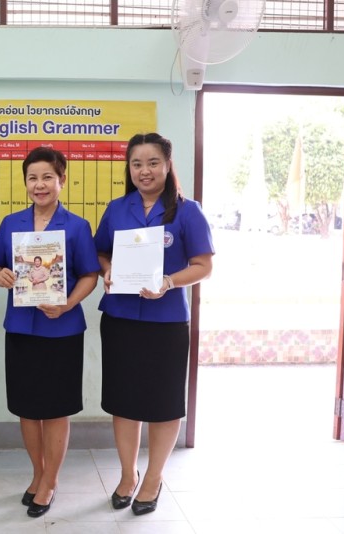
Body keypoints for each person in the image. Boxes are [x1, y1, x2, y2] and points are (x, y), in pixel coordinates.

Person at [94, 133, 214, 515]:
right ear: (129, 168)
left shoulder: (188, 211)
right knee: (124, 401)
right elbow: (101, 251)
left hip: (167, 323)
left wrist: (169, 281)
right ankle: (128, 474)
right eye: (136, 164)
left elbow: (204, 266)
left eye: (152, 163)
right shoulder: (117, 209)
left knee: (164, 404)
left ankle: (153, 477)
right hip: (120, 319)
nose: (144, 171)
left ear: (167, 165)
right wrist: (107, 269)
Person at [0, 146, 100, 518]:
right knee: (27, 408)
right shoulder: (11, 223)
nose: (40, 185)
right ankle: (38, 473)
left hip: (62, 329)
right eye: (32, 178)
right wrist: (0, 276)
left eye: (47, 177)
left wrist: (67, 303)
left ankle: (50, 481)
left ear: (62, 180)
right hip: (21, 328)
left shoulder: (77, 226)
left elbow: (90, 275)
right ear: (25, 182)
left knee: (55, 410)